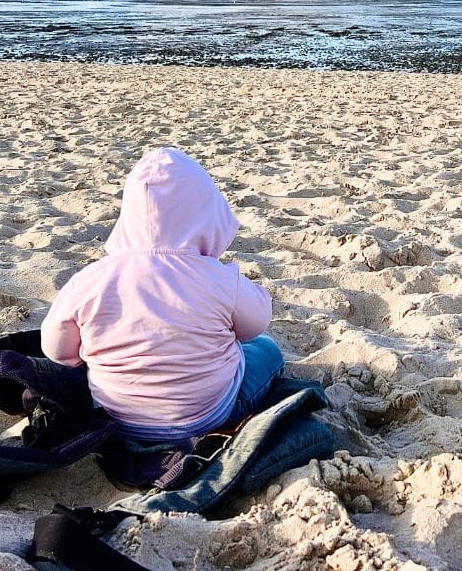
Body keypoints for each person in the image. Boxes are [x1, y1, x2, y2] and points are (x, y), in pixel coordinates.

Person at [41, 147, 282, 441]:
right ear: (207, 213)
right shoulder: (218, 278)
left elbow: (57, 351)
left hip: (118, 418)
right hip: (209, 415)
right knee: (267, 349)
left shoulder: (89, 280)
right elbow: (255, 325)